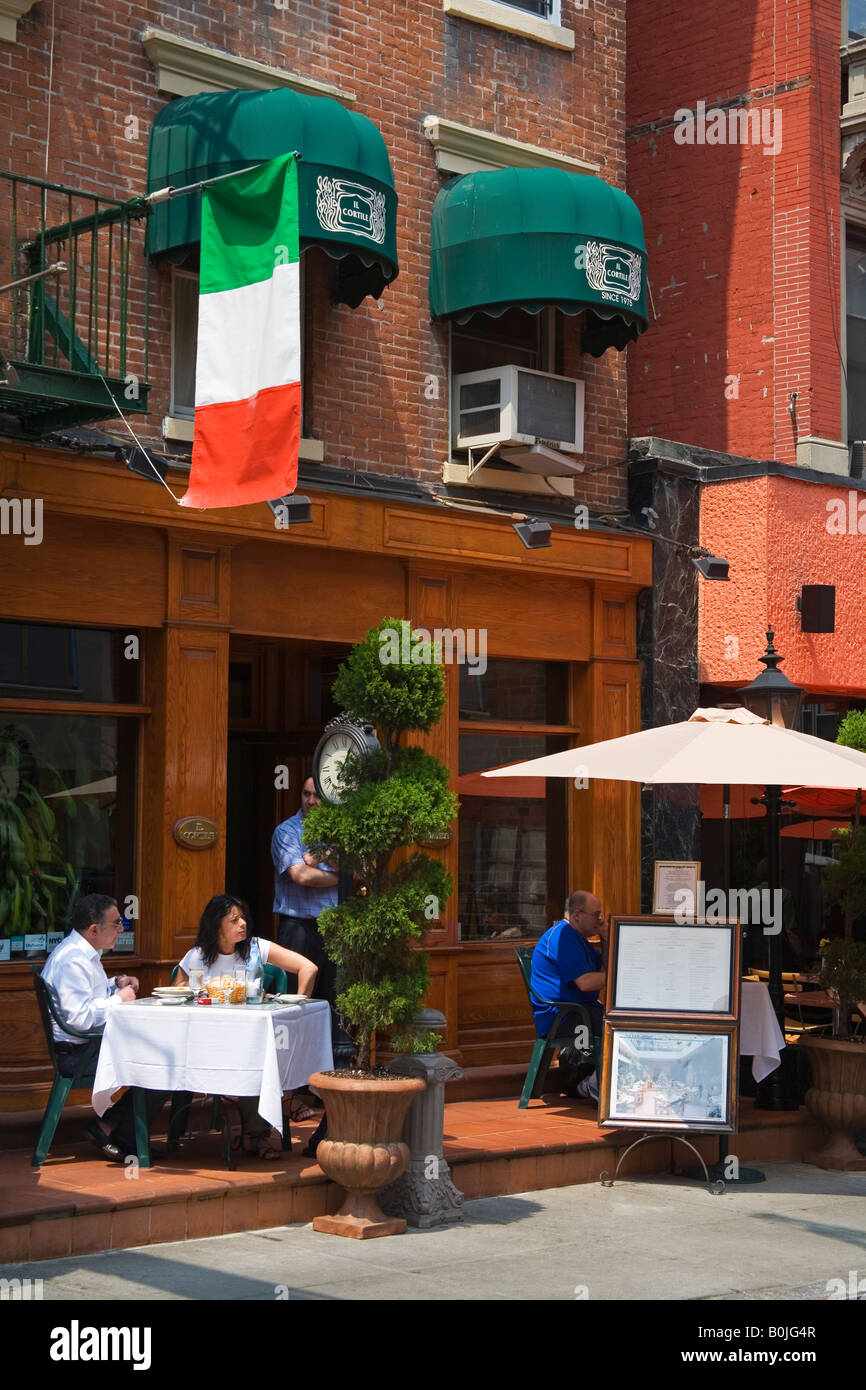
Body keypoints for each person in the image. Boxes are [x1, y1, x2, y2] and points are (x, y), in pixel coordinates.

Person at [176, 894, 318, 1158]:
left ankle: (258, 1135)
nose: (243, 924)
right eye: (234, 920)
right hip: (202, 1044)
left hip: (247, 1041)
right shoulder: (196, 957)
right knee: (251, 1057)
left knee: (254, 1058)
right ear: (215, 925)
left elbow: (308, 968)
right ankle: (271, 1118)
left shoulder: (255, 948)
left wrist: (297, 1006)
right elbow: (177, 996)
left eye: (243, 918)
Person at [41, 894, 168, 1162]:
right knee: (161, 1064)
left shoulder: (83, 953)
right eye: (116, 923)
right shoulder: (72, 960)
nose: (122, 929)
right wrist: (118, 1000)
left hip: (87, 1046)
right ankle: (118, 1132)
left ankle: (108, 1127)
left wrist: (116, 983)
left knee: (161, 1056)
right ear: (94, 930)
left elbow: (89, 994)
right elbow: (78, 1018)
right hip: (78, 1054)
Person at [530, 889, 609, 1102]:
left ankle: (592, 1081)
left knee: (619, 1018)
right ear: (577, 915)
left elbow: (603, 969)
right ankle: (593, 1085)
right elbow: (585, 982)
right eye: (596, 914)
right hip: (561, 1016)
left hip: (578, 1010)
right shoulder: (563, 937)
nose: (600, 919)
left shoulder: (578, 938)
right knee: (617, 1025)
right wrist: (618, 977)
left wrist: (606, 937)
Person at [270, 776, 339, 1005]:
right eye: (306, 794)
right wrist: (342, 877)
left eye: (317, 795)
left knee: (332, 1003)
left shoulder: (340, 831)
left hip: (333, 928)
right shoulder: (287, 831)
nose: (310, 801)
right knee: (293, 1002)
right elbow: (300, 875)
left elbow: (362, 869)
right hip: (298, 928)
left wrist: (321, 855)